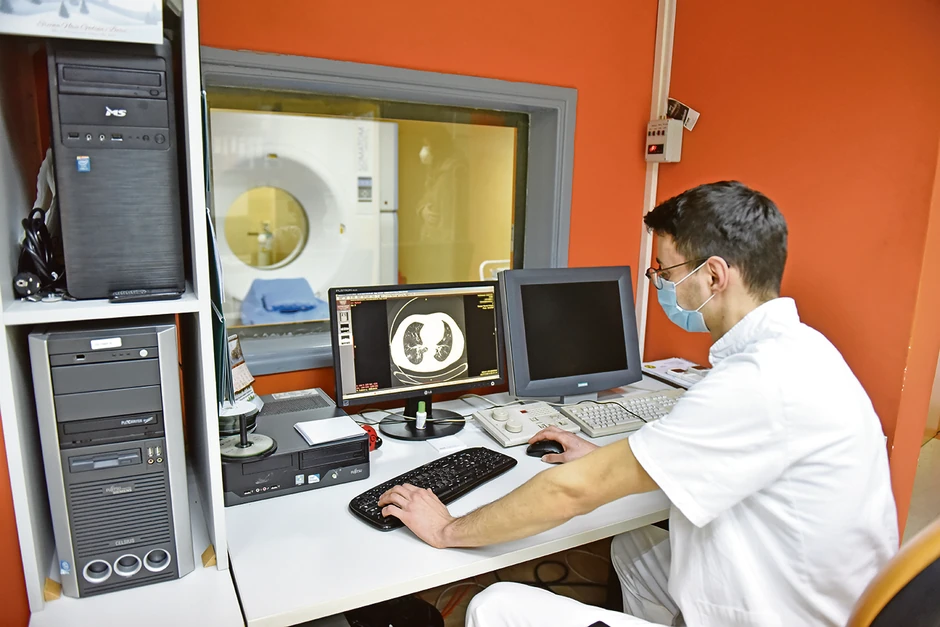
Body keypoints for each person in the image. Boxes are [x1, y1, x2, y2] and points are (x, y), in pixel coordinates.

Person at [378, 181, 899, 627]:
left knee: (496, 606)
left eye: (667, 271)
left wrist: (447, 529)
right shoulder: (805, 351)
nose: (662, 284)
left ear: (714, 276)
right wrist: (604, 457)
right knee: (637, 550)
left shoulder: (756, 382)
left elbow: (570, 492)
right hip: (819, 600)